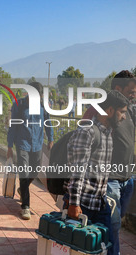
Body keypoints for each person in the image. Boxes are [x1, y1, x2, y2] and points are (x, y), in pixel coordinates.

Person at [67, 90, 129, 255]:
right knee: (79, 248)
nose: (124, 117)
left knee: (104, 245)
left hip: (100, 203)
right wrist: (74, 204)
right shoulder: (87, 132)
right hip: (83, 205)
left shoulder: (108, 134)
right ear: (109, 111)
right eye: (122, 112)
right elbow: (77, 171)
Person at [83, 70, 136, 255]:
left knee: (115, 221)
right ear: (118, 88)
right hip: (109, 179)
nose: (134, 94)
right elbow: (84, 139)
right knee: (112, 222)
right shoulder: (98, 110)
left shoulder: (128, 109)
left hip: (128, 177)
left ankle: (102, 247)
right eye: (131, 91)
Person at [7, 82, 54, 220]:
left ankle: (23, 188)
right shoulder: (19, 105)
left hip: (38, 144)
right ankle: (25, 206)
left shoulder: (42, 106)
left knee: (35, 171)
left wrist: (51, 139)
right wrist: (9, 146)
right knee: (24, 172)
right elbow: (13, 125)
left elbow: (48, 123)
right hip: (22, 143)